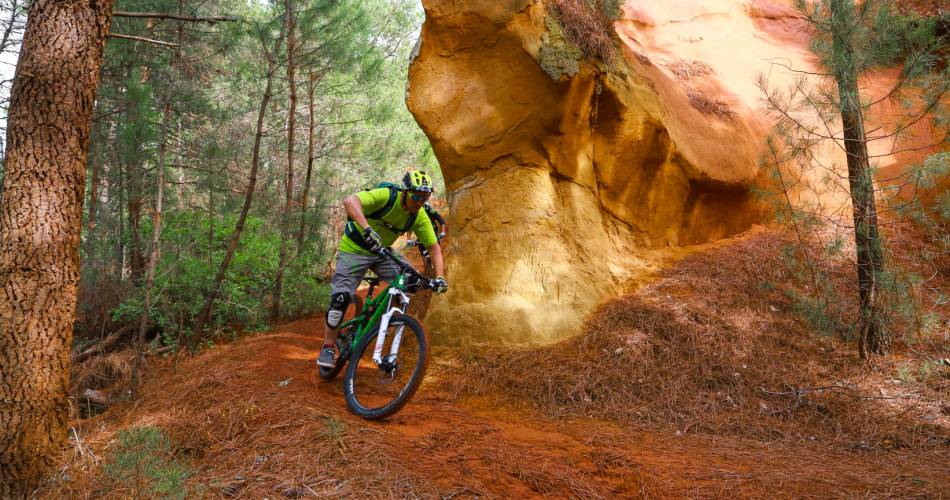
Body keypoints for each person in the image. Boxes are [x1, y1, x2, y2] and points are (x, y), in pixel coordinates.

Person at [318, 170, 448, 368]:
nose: (419, 202)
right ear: (405, 192)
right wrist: (366, 228)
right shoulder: (387, 196)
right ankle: (328, 347)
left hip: (381, 252)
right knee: (340, 299)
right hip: (354, 249)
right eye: (415, 196)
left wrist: (439, 277)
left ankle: (385, 319)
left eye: (424, 198)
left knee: (410, 280)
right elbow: (349, 201)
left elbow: (434, 248)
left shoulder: (418, 215)